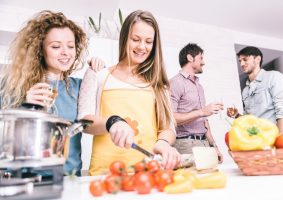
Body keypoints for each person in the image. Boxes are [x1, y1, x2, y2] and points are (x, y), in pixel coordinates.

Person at [0, 10, 104, 176]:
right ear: (40, 49)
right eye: (56, 46)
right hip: (26, 179)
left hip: (70, 179)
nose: (65, 52)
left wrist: (98, 71)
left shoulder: (80, 87)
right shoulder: (12, 86)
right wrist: (24, 106)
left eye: (70, 46)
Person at [77, 10, 180, 175]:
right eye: (135, 39)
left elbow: (168, 127)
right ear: (125, 38)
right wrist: (112, 122)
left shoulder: (159, 84)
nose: (142, 47)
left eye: (148, 42)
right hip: (106, 174)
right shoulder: (99, 74)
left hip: (148, 173)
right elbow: (83, 122)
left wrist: (163, 143)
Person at [169, 43, 223, 162]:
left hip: (204, 143)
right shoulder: (175, 83)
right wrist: (202, 111)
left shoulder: (199, 87)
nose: (203, 62)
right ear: (190, 58)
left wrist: (214, 147)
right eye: (201, 58)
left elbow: (204, 120)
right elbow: (170, 118)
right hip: (185, 144)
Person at [235, 46, 283, 132]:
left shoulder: (274, 77)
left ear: (257, 59)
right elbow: (249, 119)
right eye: (240, 61)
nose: (241, 64)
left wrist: (280, 141)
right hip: (255, 138)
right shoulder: (245, 91)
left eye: (245, 59)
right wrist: (236, 115)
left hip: (272, 136)